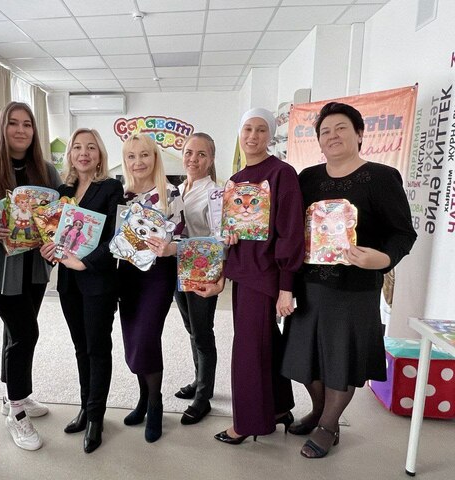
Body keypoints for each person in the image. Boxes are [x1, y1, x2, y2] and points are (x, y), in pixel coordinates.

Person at [281, 102, 417, 458]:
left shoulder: (381, 177)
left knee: (341, 360)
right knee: (304, 358)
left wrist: (382, 259)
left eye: (341, 128)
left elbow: (403, 233)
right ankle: (319, 411)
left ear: (359, 134)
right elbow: (290, 227)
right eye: (325, 131)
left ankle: (329, 425)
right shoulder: (307, 178)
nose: (332, 136)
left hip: (354, 287)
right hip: (308, 284)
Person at [198, 108, 305, 446]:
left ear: (270, 135)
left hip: (266, 275)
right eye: (247, 129)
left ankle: (248, 423)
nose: (253, 136)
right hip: (243, 273)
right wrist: (229, 240)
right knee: (263, 343)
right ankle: (278, 408)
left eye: (260, 130)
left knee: (248, 350)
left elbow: (291, 232)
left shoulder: (281, 173)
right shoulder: (236, 179)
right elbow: (233, 230)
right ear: (240, 133)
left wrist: (286, 287)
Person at [0, 101, 61, 451]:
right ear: (2, 128)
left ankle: (12, 397)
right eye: (13, 123)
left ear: (34, 131)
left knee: (15, 332)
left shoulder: (46, 171)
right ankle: (17, 413)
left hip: (35, 270)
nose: (21, 130)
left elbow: (58, 216)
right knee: (26, 333)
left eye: (27, 124)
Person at [40, 128, 123, 453]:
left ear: (100, 154)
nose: (83, 153)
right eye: (77, 147)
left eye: (91, 147)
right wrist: (48, 249)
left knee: (97, 348)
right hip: (68, 284)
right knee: (80, 348)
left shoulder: (111, 187)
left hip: (98, 281)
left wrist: (85, 263)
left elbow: (116, 237)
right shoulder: (63, 191)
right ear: (70, 154)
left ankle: (96, 417)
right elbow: (54, 235)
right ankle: (85, 407)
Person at [118, 133, 184, 443]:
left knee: (146, 338)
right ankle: (143, 399)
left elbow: (184, 239)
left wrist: (169, 248)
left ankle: (155, 403)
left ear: (155, 157)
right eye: (131, 156)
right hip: (127, 275)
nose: (138, 162)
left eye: (144, 154)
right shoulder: (122, 195)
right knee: (132, 340)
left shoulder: (169, 193)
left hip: (158, 276)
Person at [173, 133, 219, 425]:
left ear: (211, 159)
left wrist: (219, 277)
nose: (193, 159)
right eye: (189, 152)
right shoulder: (176, 190)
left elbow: (219, 239)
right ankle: (199, 380)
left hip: (202, 267)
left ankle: (203, 397)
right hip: (177, 266)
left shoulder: (214, 194)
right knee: (191, 327)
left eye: (201, 154)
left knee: (202, 332)